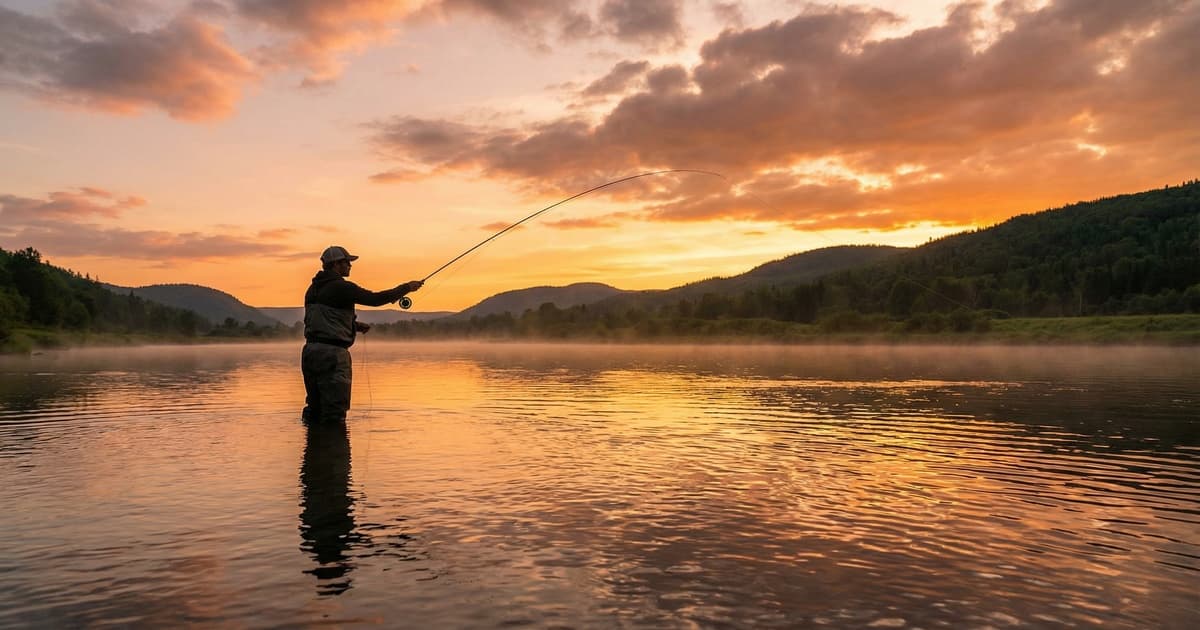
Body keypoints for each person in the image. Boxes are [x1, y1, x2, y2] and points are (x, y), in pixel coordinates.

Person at [301, 245, 422, 424]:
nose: (350, 266)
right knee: (335, 413)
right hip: (333, 355)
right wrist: (406, 288)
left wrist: (354, 326)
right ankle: (333, 448)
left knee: (315, 409)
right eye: (347, 262)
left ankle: (313, 448)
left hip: (310, 353)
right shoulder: (342, 287)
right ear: (336, 264)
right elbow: (374, 299)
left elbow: (321, 319)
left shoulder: (312, 290)